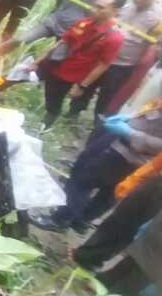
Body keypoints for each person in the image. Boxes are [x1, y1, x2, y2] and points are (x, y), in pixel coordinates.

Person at [31, 98, 162, 232]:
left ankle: (61, 219)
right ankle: (81, 220)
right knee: (110, 191)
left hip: (127, 153)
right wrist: (132, 117)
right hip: (131, 152)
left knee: (82, 181)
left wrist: (130, 133)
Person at [67, 0, 162, 119]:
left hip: (124, 64)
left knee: (107, 96)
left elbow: (154, 45)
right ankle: (73, 113)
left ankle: (98, 122)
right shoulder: (125, 7)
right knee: (87, 85)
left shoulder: (159, 18)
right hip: (103, 57)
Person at [30, 0, 126, 128]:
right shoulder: (83, 23)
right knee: (22, 74)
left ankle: (48, 121)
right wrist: (37, 61)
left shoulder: (114, 38)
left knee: (54, 101)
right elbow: (62, 42)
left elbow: (103, 65)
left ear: (115, 11)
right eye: (95, 5)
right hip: (57, 63)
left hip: (72, 75)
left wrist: (82, 85)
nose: (94, 9)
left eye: (101, 8)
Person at [72, 151, 162, 270]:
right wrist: (133, 180)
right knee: (123, 221)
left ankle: (93, 257)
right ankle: (88, 255)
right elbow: (156, 163)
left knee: (131, 229)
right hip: (156, 186)